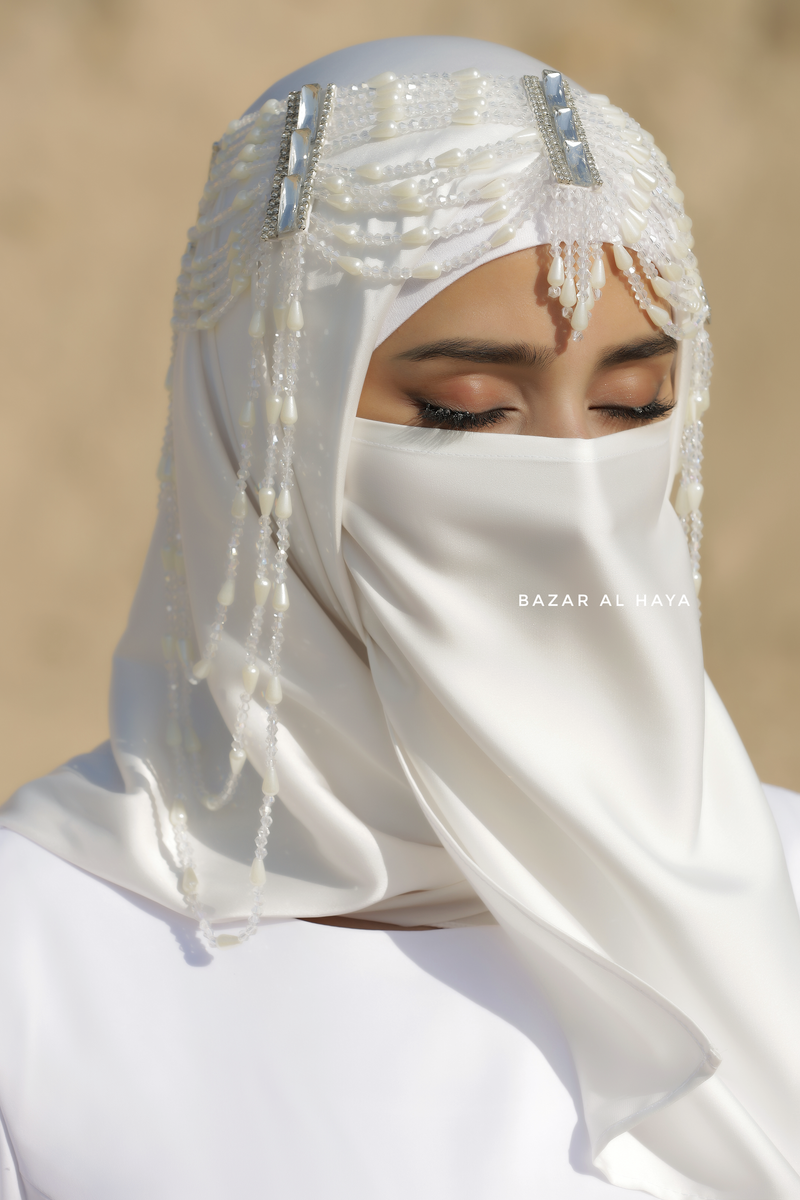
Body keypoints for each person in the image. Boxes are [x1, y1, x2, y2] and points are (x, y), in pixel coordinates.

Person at [1, 34, 799, 1200]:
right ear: (262, 438)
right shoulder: (39, 955)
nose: (577, 493)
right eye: (466, 413)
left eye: (633, 405)